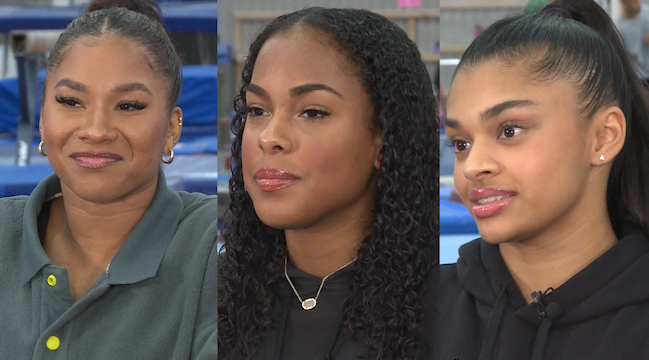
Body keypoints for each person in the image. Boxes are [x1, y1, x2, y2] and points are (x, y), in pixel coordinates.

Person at [0, 0, 219, 358]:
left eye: (129, 106)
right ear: (42, 118)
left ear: (172, 128)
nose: (96, 130)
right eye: (71, 101)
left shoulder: (212, 248)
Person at [217, 7, 438, 360]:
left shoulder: (452, 309)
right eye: (258, 110)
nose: (269, 138)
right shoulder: (210, 293)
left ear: (384, 139)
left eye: (313, 112)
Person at [441, 0, 649, 359]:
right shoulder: (419, 307)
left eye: (509, 130)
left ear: (603, 136)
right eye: (461, 143)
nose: (473, 166)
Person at [615, 0, 649, 86]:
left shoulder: (646, 12)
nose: (638, 4)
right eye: (634, 1)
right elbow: (622, 55)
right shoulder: (619, 27)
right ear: (624, 3)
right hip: (638, 75)